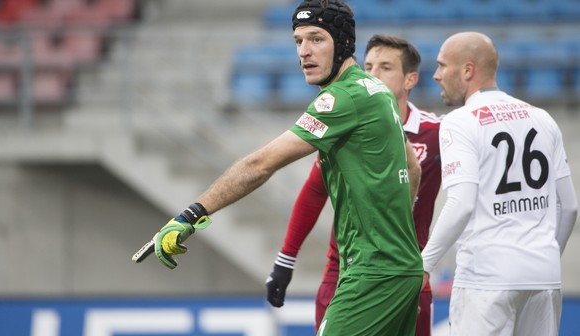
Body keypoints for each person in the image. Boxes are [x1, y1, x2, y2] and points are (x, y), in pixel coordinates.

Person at [136, 1, 423, 335]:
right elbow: (412, 167)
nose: (304, 51)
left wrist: (189, 216)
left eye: (316, 39)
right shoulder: (378, 91)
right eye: (298, 41)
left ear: (344, 42)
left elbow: (259, 165)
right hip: (401, 269)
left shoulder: (342, 99)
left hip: (373, 274)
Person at [265, 34, 443, 336]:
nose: (372, 74)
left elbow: (466, 195)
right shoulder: (344, 120)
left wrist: (426, 263)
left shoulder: (436, 132)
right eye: (369, 65)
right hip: (346, 267)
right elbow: (313, 192)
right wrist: (286, 258)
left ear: (410, 79)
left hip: (405, 268)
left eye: (385, 67)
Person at [421, 31, 578, 336]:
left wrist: (424, 265)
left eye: (442, 65)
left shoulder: (460, 121)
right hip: (544, 275)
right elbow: (569, 207)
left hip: (486, 277)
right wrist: (541, 257)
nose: (436, 75)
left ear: (467, 70)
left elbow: (461, 203)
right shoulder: (543, 118)